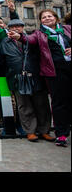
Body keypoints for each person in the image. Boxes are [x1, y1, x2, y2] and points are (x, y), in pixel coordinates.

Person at [0, 19, 53, 142]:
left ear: (22, 27)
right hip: (17, 77)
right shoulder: (4, 42)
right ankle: (30, 131)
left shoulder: (32, 39)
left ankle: (44, 130)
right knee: (24, 106)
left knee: (41, 105)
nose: (15, 28)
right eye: (13, 27)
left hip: (35, 76)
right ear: (8, 29)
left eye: (18, 26)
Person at [9, 9, 71, 147]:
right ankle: (61, 134)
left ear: (56, 18)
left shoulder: (67, 29)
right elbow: (28, 39)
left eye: (50, 16)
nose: (47, 18)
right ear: (40, 21)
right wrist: (19, 37)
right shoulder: (39, 34)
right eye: (44, 17)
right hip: (54, 72)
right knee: (58, 103)